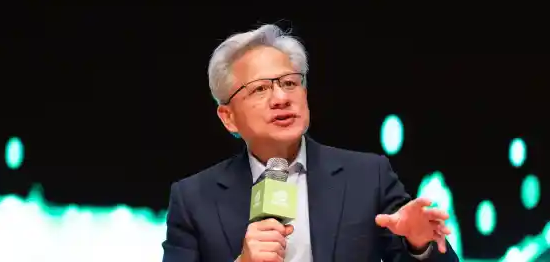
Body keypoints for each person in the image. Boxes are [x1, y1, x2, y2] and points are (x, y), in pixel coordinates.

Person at [162, 24, 459, 262]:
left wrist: (419, 245)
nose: (281, 98)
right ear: (228, 117)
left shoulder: (369, 177)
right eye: (261, 89)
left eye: (290, 83)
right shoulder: (193, 199)